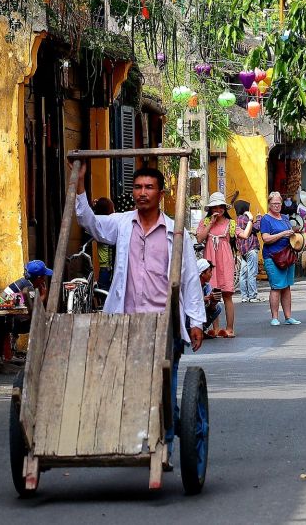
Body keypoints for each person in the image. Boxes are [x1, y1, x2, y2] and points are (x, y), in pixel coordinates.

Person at [73, 162, 205, 465]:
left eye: (148, 188)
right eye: (137, 187)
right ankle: (147, 436)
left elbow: (189, 280)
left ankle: (164, 450)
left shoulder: (176, 233)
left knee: (163, 389)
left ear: (160, 193)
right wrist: (80, 184)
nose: (142, 193)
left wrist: (196, 322)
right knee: (129, 385)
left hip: (165, 324)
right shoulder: (122, 224)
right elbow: (88, 222)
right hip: (126, 322)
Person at [196, 192, 238, 338]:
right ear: (210, 208)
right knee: (213, 294)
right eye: (215, 207)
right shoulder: (205, 222)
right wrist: (211, 223)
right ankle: (215, 328)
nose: (218, 210)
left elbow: (242, 235)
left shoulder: (230, 223)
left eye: (221, 207)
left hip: (225, 260)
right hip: (210, 261)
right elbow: (200, 239)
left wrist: (250, 221)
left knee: (227, 294)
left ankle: (230, 329)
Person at [259, 191, 303, 326]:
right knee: (276, 286)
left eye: (278, 203)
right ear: (269, 204)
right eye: (274, 204)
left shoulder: (284, 218)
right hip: (273, 256)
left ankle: (288, 316)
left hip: (287, 256)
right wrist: (283, 233)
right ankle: (275, 317)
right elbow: (266, 238)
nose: (277, 206)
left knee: (287, 287)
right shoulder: (266, 219)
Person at [0, 260, 52, 363]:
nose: (45, 278)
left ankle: (13, 350)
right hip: (5, 321)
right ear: (39, 278)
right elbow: (34, 309)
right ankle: (38, 354)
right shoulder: (29, 288)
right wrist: (43, 296)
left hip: (3, 318)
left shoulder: (24, 282)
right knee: (40, 322)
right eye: (43, 276)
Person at [234, 200, 261, 304]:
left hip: (243, 251)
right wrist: (259, 218)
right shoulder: (245, 219)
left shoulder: (237, 220)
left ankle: (244, 296)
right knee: (252, 273)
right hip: (251, 248)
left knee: (243, 274)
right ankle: (253, 296)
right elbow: (256, 228)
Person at [93, 197, 115, 291]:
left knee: (103, 291)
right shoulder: (113, 221)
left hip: (104, 267)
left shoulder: (97, 221)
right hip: (114, 265)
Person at [198, 258, 224, 331]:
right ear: (202, 274)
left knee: (218, 307)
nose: (211, 275)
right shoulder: (192, 285)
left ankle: (201, 329)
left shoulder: (207, 285)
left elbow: (212, 308)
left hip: (201, 314)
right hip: (190, 315)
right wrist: (204, 299)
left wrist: (213, 302)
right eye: (209, 272)